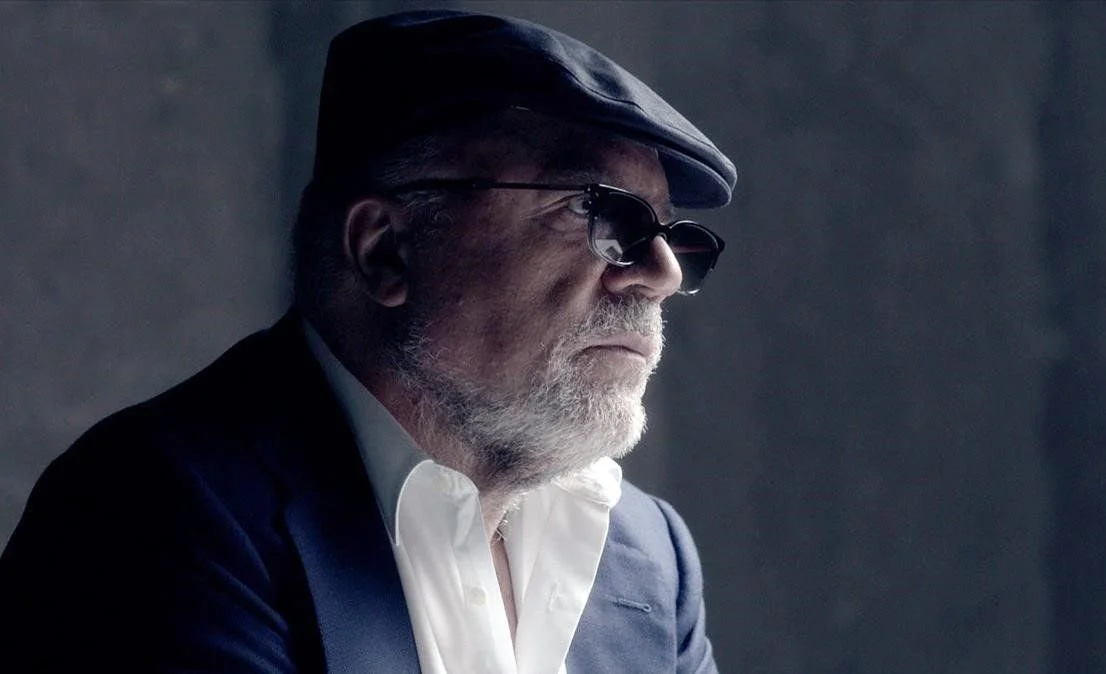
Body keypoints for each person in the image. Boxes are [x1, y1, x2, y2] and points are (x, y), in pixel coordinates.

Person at [0, 10, 736, 673]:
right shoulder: (150, 514)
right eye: (599, 211)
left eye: (671, 235)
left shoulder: (650, 554)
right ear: (385, 248)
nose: (662, 274)